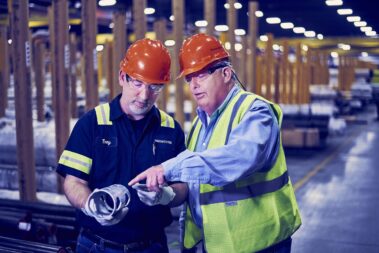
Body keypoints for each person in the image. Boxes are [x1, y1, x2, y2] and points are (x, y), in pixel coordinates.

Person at [129, 33, 302, 253]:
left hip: (259, 244)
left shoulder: (256, 111)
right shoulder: (200, 125)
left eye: (201, 75)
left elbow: (241, 158)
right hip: (212, 244)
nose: (194, 85)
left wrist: (168, 168)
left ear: (226, 73)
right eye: (190, 78)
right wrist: (164, 195)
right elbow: (195, 184)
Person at [56, 38, 187, 253]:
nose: (144, 96)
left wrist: (165, 195)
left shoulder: (171, 129)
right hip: (96, 245)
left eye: (154, 87)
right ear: (121, 77)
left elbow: (183, 187)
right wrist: (90, 204)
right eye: (137, 83)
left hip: (151, 246)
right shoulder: (93, 123)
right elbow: (74, 182)